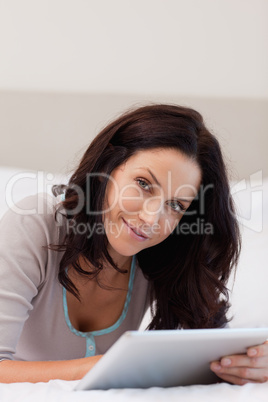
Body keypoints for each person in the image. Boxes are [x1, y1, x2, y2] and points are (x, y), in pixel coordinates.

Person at [0, 104, 267, 385]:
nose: (151, 219)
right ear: (107, 168)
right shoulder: (35, 223)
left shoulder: (162, 254)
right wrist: (110, 366)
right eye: (143, 184)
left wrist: (249, 361)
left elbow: (208, 346)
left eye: (176, 205)